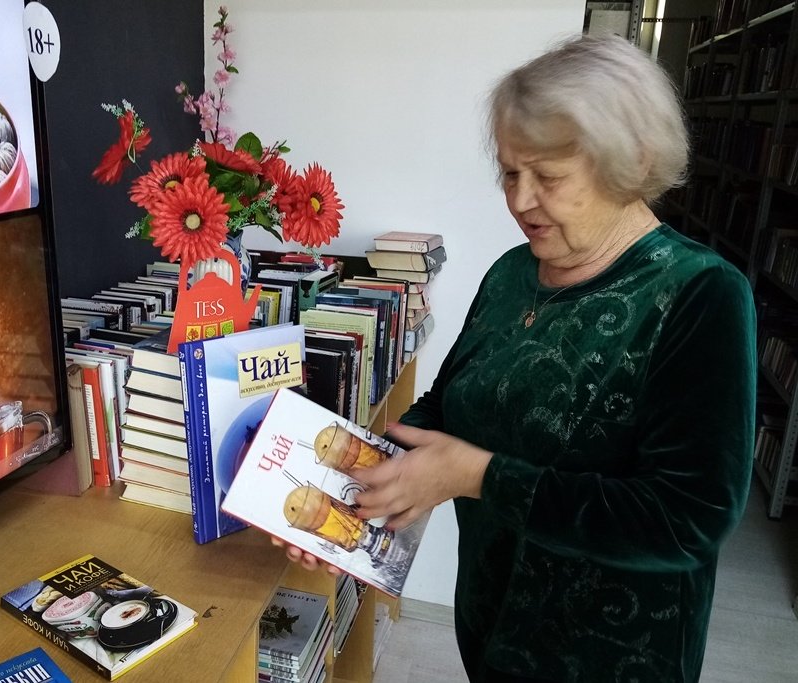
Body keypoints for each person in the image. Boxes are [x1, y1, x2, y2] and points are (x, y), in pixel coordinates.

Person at [279, 34, 756, 683]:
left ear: (633, 162)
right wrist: (354, 485)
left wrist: (478, 476)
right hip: (492, 629)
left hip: (610, 659)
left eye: (549, 177)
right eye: (510, 172)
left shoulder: (701, 295)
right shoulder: (512, 272)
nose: (521, 200)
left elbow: (685, 520)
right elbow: (448, 407)